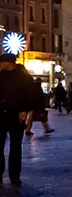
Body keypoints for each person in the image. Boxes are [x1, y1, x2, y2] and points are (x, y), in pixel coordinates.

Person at [0, 55, 37, 186]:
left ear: (9, 63)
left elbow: (30, 95)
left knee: (15, 146)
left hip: (16, 115)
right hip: (1, 114)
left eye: (2, 63)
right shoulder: (1, 74)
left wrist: (24, 110)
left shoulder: (23, 76)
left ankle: (14, 175)